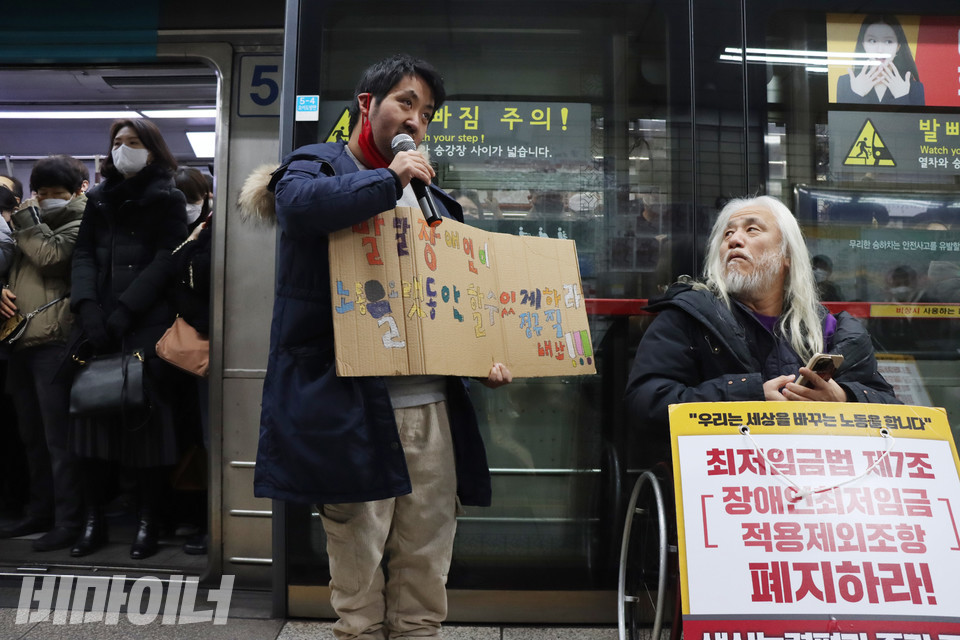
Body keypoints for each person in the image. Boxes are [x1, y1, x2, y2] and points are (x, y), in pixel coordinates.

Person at [248, 54, 512, 640]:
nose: (416, 120)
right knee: (358, 563)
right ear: (367, 106)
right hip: (352, 407)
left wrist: (483, 356)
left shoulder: (436, 200)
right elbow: (300, 209)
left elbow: (457, 300)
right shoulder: (314, 166)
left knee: (426, 561)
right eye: (405, 102)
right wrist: (391, 178)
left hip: (432, 409)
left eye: (427, 112)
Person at [624, 195, 899, 434]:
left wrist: (844, 399)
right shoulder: (687, 317)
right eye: (727, 234)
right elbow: (646, 403)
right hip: (728, 480)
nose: (734, 241)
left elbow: (894, 410)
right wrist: (748, 397)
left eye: (752, 229)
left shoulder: (832, 329)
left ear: (786, 254)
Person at [68, 118, 190, 560]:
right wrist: (87, 307)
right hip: (97, 324)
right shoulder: (98, 198)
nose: (123, 150)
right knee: (90, 426)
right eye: (117, 142)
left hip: (144, 324)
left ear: (152, 150)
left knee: (145, 426)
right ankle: (93, 519)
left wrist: (125, 310)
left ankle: (148, 520)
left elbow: (166, 261)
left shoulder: (168, 198)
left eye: (133, 142)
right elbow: (83, 255)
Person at [0, 157, 86, 550]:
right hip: (19, 340)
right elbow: (14, 270)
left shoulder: (80, 220)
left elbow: (51, 258)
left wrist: (28, 219)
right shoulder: (27, 225)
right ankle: (40, 510)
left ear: (76, 191)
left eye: (56, 193)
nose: (48, 199)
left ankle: (69, 519)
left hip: (54, 341)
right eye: (42, 192)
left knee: (59, 441)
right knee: (31, 436)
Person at [836, 14, 924, 106]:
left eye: (888, 41)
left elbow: (913, 120)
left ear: (898, 46)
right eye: (872, 41)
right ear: (863, 45)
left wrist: (901, 97)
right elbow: (843, 119)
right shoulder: (845, 83)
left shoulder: (915, 88)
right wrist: (856, 95)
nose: (880, 50)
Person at [174, 167, 212, 233]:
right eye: (181, 202)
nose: (187, 208)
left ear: (204, 197)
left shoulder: (211, 225)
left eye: (192, 201)